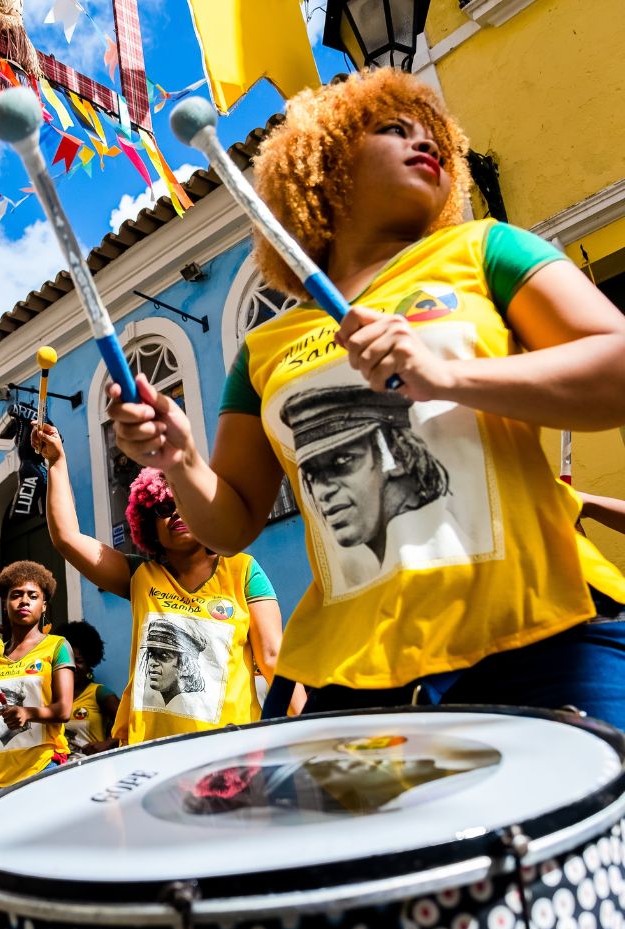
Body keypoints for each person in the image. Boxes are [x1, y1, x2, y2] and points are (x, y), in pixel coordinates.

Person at [107, 68, 625, 726]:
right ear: (322, 167)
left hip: (543, 633)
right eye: (392, 128)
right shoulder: (263, 351)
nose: (424, 140)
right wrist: (180, 460)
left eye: (433, 133)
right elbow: (232, 524)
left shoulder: (486, 249)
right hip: (359, 677)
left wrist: (443, 376)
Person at [34, 424, 283, 746]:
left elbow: (274, 657)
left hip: (232, 747)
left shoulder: (244, 571)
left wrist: (311, 733)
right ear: (148, 524)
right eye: (163, 508)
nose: (176, 512)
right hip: (148, 750)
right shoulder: (140, 575)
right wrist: (56, 462)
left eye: (185, 502)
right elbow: (67, 539)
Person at [0, 560, 73, 796]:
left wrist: (27, 713)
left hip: (42, 768)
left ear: (43, 606)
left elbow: (63, 711)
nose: (24, 601)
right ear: (5, 604)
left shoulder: (57, 646)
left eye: (33, 595)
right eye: (16, 595)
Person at [57, 620, 119, 756]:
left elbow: (132, 727)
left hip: (93, 770)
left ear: (90, 663)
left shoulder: (100, 693)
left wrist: (108, 743)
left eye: (78, 661)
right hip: (60, 772)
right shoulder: (51, 697)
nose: (72, 667)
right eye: (67, 661)